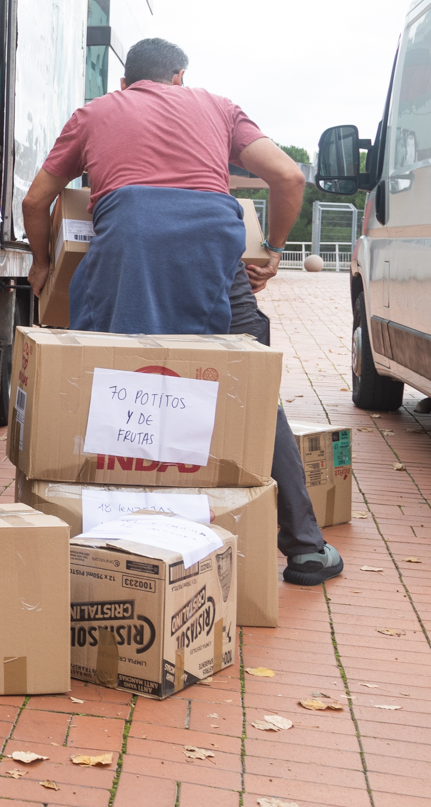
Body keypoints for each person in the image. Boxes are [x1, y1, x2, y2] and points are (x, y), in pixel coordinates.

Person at [21, 36, 342, 586]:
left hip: (128, 250)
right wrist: (274, 250)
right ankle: (306, 548)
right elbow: (289, 177)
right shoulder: (218, 108)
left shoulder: (96, 111)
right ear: (180, 77)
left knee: (106, 382)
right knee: (253, 389)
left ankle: (97, 543)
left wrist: (42, 265)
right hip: (216, 253)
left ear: (124, 84)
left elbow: (35, 201)